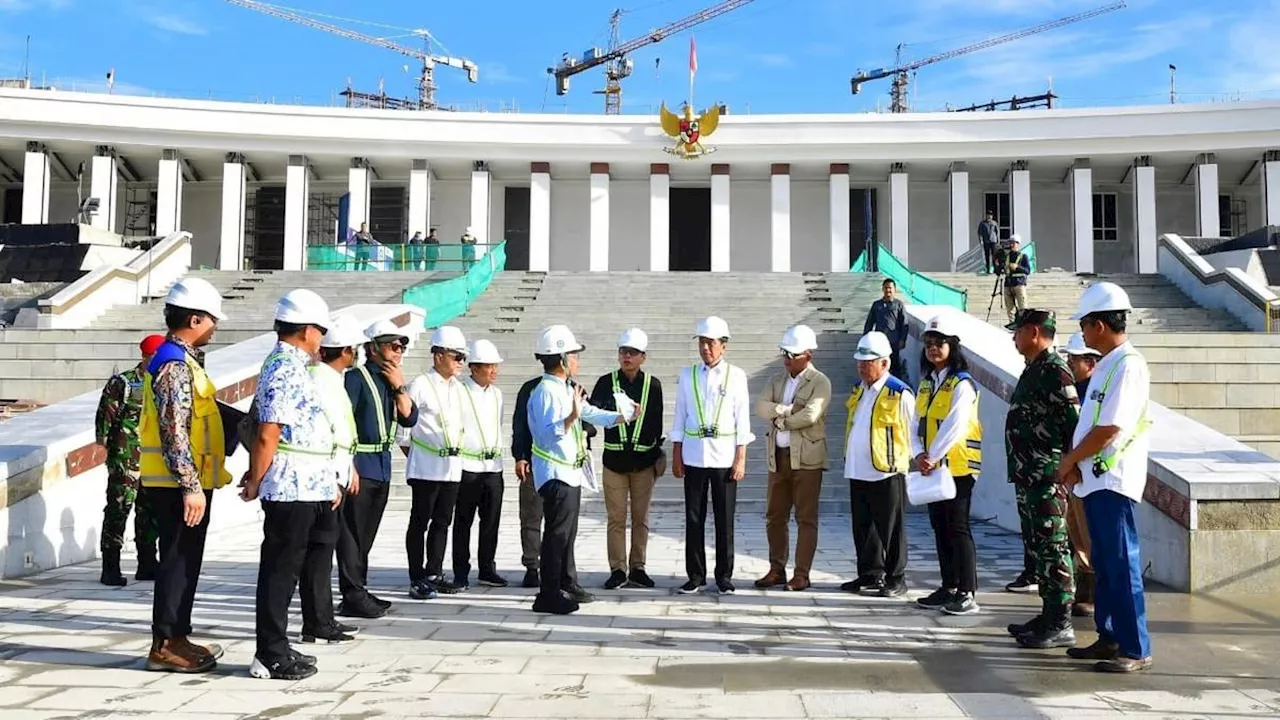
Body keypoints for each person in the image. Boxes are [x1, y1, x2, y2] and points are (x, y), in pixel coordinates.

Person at [241, 289, 336, 681]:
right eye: (320, 331)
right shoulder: (283, 366)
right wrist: (256, 480)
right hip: (289, 486)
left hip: (307, 484)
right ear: (307, 330)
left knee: (290, 570)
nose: (322, 340)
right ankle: (269, 653)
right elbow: (268, 433)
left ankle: (278, 643)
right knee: (280, 572)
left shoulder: (295, 365)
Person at [138, 277, 230, 673]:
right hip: (177, 484)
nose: (215, 327)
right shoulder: (175, 365)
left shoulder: (183, 359)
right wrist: (191, 486)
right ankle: (164, 645)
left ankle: (178, 636)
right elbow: (173, 428)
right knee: (176, 562)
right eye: (212, 320)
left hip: (184, 481)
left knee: (186, 561)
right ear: (195, 318)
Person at [1060, 283, 1153, 674]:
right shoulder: (1108, 364)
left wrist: (1070, 461)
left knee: (1120, 564)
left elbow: (1109, 428)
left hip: (1112, 478)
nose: (1081, 332)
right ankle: (1110, 636)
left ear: (1098, 324)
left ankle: (1135, 648)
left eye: (1083, 324)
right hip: (1094, 479)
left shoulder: (1128, 365)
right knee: (1104, 562)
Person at [526, 324, 631, 614]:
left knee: (565, 535)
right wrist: (572, 416)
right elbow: (546, 436)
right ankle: (547, 594)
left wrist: (620, 417)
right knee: (556, 535)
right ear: (560, 359)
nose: (577, 361)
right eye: (573, 355)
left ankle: (559, 586)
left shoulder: (564, 388)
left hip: (569, 472)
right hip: (555, 473)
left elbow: (589, 413)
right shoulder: (547, 391)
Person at [1004, 309, 1081, 650]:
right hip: (1029, 475)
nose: (1013, 338)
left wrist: (1068, 467)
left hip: (1047, 476)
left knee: (1053, 546)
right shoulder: (1034, 369)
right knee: (1039, 547)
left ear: (1034, 332)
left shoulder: (1054, 370)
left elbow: (1073, 421)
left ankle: (1061, 620)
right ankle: (1048, 614)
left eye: (1017, 331)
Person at [337, 319, 419, 619]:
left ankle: (359, 588)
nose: (398, 352)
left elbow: (409, 419)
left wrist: (399, 386)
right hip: (361, 465)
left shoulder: (392, 380)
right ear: (373, 349)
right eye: (392, 346)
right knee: (352, 536)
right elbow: (343, 423)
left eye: (401, 347)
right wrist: (347, 466)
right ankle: (352, 594)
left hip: (382, 467)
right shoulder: (356, 378)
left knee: (366, 535)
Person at [672, 316, 754, 596]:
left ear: (723, 345)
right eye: (702, 343)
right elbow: (680, 414)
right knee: (694, 519)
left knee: (724, 519)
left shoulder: (737, 376)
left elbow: (742, 419)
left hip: (724, 458)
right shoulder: (688, 375)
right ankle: (695, 575)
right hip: (695, 456)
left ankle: (724, 576)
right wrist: (677, 452)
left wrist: (740, 458)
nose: (706, 348)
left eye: (711, 343)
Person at [911, 316, 983, 615]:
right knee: (939, 526)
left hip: (958, 466)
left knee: (957, 526)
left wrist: (933, 455)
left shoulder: (961, 383)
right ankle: (948, 585)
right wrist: (918, 454)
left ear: (952, 346)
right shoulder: (928, 383)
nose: (933, 349)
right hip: (933, 466)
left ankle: (967, 591)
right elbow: (914, 422)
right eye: (928, 344)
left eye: (939, 343)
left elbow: (956, 423)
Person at [300, 317, 365, 644]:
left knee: (324, 551)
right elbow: (321, 433)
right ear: (345, 351)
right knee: (318, 552)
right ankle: (317, 622)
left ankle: (322, 619)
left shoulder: (331, 378)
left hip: (336, 470)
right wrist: (332, 478)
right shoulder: (320, 380)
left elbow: (341, 431)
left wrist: (348, 467)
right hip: (324, 476)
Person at [754, 324, 830, 593]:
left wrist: (782, 421)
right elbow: (761, 407)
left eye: (792, 354)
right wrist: (785, 409)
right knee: (775, 516)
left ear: (807, 355)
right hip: (778, 457)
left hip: (807, 461)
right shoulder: (777, 380)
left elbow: (810, 415)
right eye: (784, 352)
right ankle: (776, 569)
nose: (786, 358)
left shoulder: (820, 381)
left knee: (806, 518)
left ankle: (802, 573)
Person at [839, 331, 916, 598]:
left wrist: (912, 463)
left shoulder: (899, 393)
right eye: (859, 361)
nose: (862, 365)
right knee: (863, 526)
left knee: (892, 527)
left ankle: (896, 576)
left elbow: (912, 430)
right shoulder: (860, 389)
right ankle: (870, 573)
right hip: (859, 468)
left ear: (885, 363)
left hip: (887, 471)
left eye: (868, 361)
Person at [588, 328, 666, 590]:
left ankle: (638, 567)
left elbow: (656, 423)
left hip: (644, 462)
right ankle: (618, 569)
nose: (627, 357)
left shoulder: (652, 386)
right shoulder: (605, 381)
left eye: (632, 353)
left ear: (643, 357)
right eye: (623, 352)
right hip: (615, 462)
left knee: (641, 518)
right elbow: (592, 414)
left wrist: (658, 456)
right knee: (616, 518)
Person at [512, 371, 596, 597]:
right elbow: (521, 425)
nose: (576, 361)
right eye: (572, 355)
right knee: (533, 517)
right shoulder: (534, 389)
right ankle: (533, 567)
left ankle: (567, 578)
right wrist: (520, 456)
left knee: (565, 528)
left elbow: (590, 423)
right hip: (539, 464)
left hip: (568, 467)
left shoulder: (575, 388)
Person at [401, 326, 469, 598]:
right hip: (426, 467)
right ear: (439, 355)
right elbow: (403, 433)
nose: (461, 363)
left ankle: (434, 571)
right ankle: (416, 576)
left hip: (451, 467)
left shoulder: (459, 389)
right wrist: (420, 456)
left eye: (463, 357)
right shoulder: (420, 385)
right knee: (420, 521)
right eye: (456, 357)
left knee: (443, 522)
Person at [94, 334, 164, 586]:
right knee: (119, 508)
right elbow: (105, 419)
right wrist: (104, 450)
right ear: (148, 355)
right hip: (125, 458)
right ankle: (110, 566)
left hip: (153, 459)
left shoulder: (162, 383)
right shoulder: (124, 382)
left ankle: (147, 562)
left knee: (149, 511)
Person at [453, 339, 508, 589]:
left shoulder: (497, 394)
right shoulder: (460, 391)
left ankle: (487, 567)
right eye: (489, 366)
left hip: (493, 468)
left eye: (496, 366)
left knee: (491, 521)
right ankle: (461, 570)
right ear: (474, 368)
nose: (494, 371)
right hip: (468, 468)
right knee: (463, 521)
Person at [1061, 331, 1102, 618]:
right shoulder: (1074, 389)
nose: (1069, 364)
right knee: (1075, 531)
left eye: (1074, 359)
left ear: (1091, 362)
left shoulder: (1095, 391)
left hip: (1091, 473)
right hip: (1074, 472)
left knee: (1090, 534)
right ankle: (1084, 589)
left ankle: (1095, 593)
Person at [863, 279, 908, 381]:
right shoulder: (876, 305)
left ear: (894, 290)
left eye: (890, 288)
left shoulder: (899, 305)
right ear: (882, 289)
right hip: (879, 344)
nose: (888, 290)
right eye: (886, 288)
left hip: (894, 342)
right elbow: (869, 323)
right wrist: (865, 338)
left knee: (894, 367)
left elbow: (904, 324)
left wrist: (902, 340)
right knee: (879, 366)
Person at [1003, 235, 1031, 325]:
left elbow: (1027, 271)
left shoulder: (1023, 256)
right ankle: (1012, 323)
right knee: (1009, 307)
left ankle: (1023, 323)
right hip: (1008, 284)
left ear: (1018, 244)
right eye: (1010, 243)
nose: (1011, 245)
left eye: (1013, 243)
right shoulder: (1006, 256)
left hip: (1019, 283)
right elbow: (999, 269)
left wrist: (1017, 267)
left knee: (1022, 306)